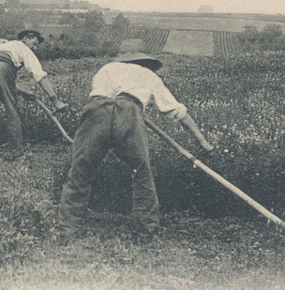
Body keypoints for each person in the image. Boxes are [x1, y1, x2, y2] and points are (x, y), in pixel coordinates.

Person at [55, 39, 214, 241]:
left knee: (80, 170)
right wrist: (202, 142)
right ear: (144, 60)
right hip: (129, 113)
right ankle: (145, 233)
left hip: (95, 112)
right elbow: (178, 112)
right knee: (141, 171)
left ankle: (66, 231)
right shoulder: (149, 75)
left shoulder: (106, 68)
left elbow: (101, 98)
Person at [0, 29, 67, 160]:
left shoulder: (1, 44)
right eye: (34, 43)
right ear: (26, 38)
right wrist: (55, 100)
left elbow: (1, 80)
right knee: (11, 110)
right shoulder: (24, 49)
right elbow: (39, 75)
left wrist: (25, 92)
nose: (35, 48)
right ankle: (17, 152)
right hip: (2, 68)